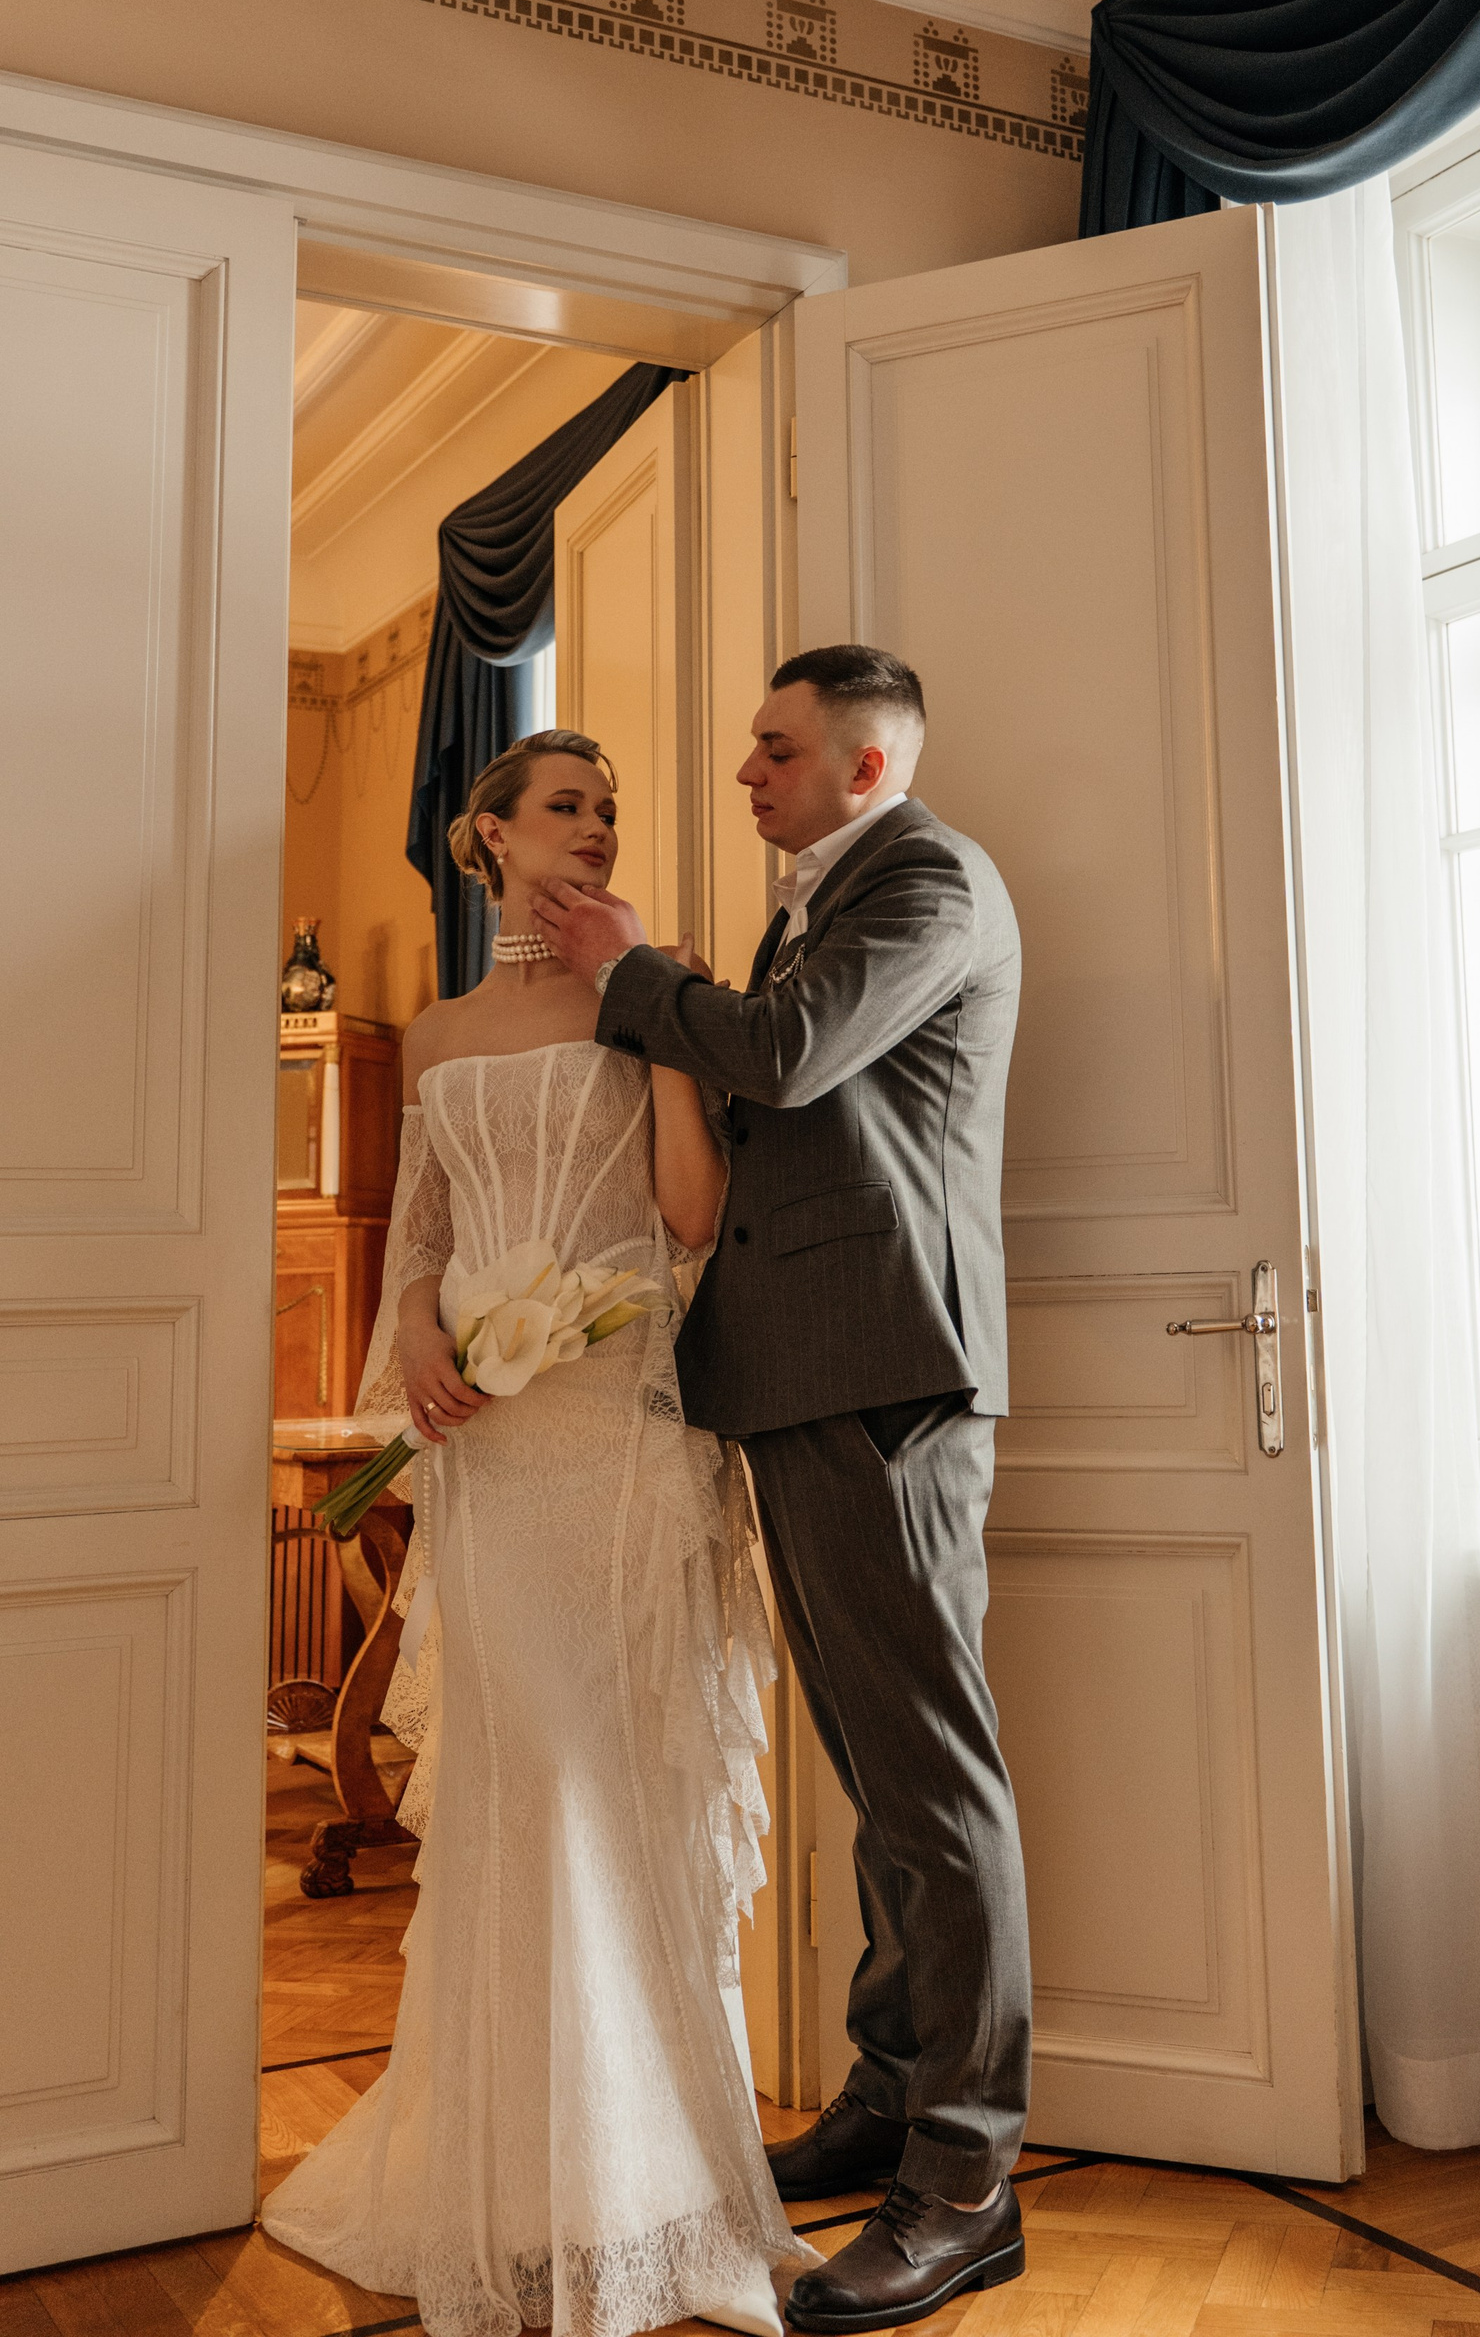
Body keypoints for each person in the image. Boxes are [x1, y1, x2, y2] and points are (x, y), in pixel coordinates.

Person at [262, 730, 805, 2337]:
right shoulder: (435, 1034)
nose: (596, 829)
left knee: (609, 1789)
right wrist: (420, 1334)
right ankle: (509, 2183)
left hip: (625, 1434)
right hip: (493, 1458)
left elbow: (692, 1214)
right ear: (489, 836)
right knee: (515, 1797)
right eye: (566, 807)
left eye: (610, 811)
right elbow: (422, 1240)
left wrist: (657, 1011)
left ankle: (646, 2185)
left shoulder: (656, 983)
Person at [533, 645, 1031, 2337]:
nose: (746, 772)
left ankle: (964, 2181)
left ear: (865, 767)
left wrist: (627, 972)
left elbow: (796, 1055)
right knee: (879, 1779)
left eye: (775, 748)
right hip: (810, 1372)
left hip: (887, 1375)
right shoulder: (827, 894)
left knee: (934, 1786)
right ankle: (891, 2097)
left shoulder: (928, 878)